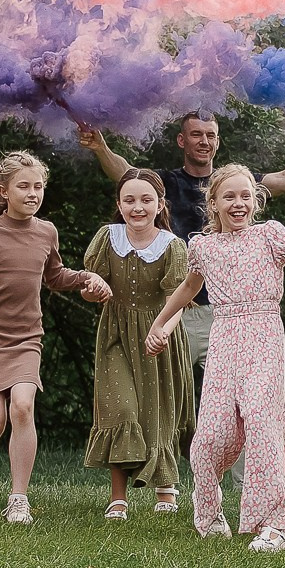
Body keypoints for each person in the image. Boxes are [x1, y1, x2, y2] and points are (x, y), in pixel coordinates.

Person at [78, 114, 285, 376]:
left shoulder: (233, 187)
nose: (204, 141)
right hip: (178, 310)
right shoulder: (165, 183)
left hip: (224, 316)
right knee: (171, 396)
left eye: (210, 135)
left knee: (230, 399)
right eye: (196, 134)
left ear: (218, 142)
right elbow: (126, 175)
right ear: (181, 140)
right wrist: (101, 148)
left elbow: (284, 179)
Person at [147, 164, 285, 551]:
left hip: (263, 335)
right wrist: (161, 324)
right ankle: (210, 515)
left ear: (255, 200)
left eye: (245, 195)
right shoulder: (202, 247)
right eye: (228, 196)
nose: (238, 203)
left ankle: (275, 525)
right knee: (210, 435)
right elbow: (187, 290)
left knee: (263, 423)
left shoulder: (271, 235)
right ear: (212, 203)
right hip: (224, 339)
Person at [0, 151, 108, 524]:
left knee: (22, 407)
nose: (33, 193)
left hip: (27, 338)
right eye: (24, 186)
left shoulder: (46, 231)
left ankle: (18, 497)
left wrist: (84, 277)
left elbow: (54, 276)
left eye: (38, 187)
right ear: (3, 190)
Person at [80, 168, 196, 517]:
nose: (138, 207)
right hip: (115, 334)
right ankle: (118, 497)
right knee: (121, 408)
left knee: (158, 411)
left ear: (161, 204)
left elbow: (178, 299)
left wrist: (163, 329)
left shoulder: (174, 246)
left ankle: (166, 491)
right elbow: (90, 289)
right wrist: (92, 288)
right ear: (119, 203)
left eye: (146, 200)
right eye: (129, 200)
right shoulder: (107, 237)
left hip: (158, 333)